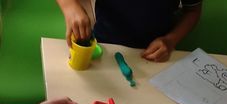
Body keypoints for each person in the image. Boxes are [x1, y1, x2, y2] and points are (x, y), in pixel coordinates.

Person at [57, 0, 202, 62]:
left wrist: (171, 40)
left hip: (156, 53)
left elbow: (193, 11)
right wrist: (70, 7)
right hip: (107, 47)